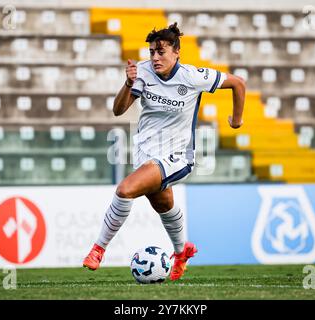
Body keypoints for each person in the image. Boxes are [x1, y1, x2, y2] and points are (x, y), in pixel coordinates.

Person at [83, 22, 245, 281]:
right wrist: (128, 83)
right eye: (152, 53)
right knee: (164, 204)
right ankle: (182, 252)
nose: (155, 58)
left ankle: (98, 249)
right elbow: (118, 110)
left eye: (161, 52)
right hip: (146, 153)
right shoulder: (143, 72)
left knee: (125, 190)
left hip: (178, 155)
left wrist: (236, 120)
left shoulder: (193, 77)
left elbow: (238, 83)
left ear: (177, 52)